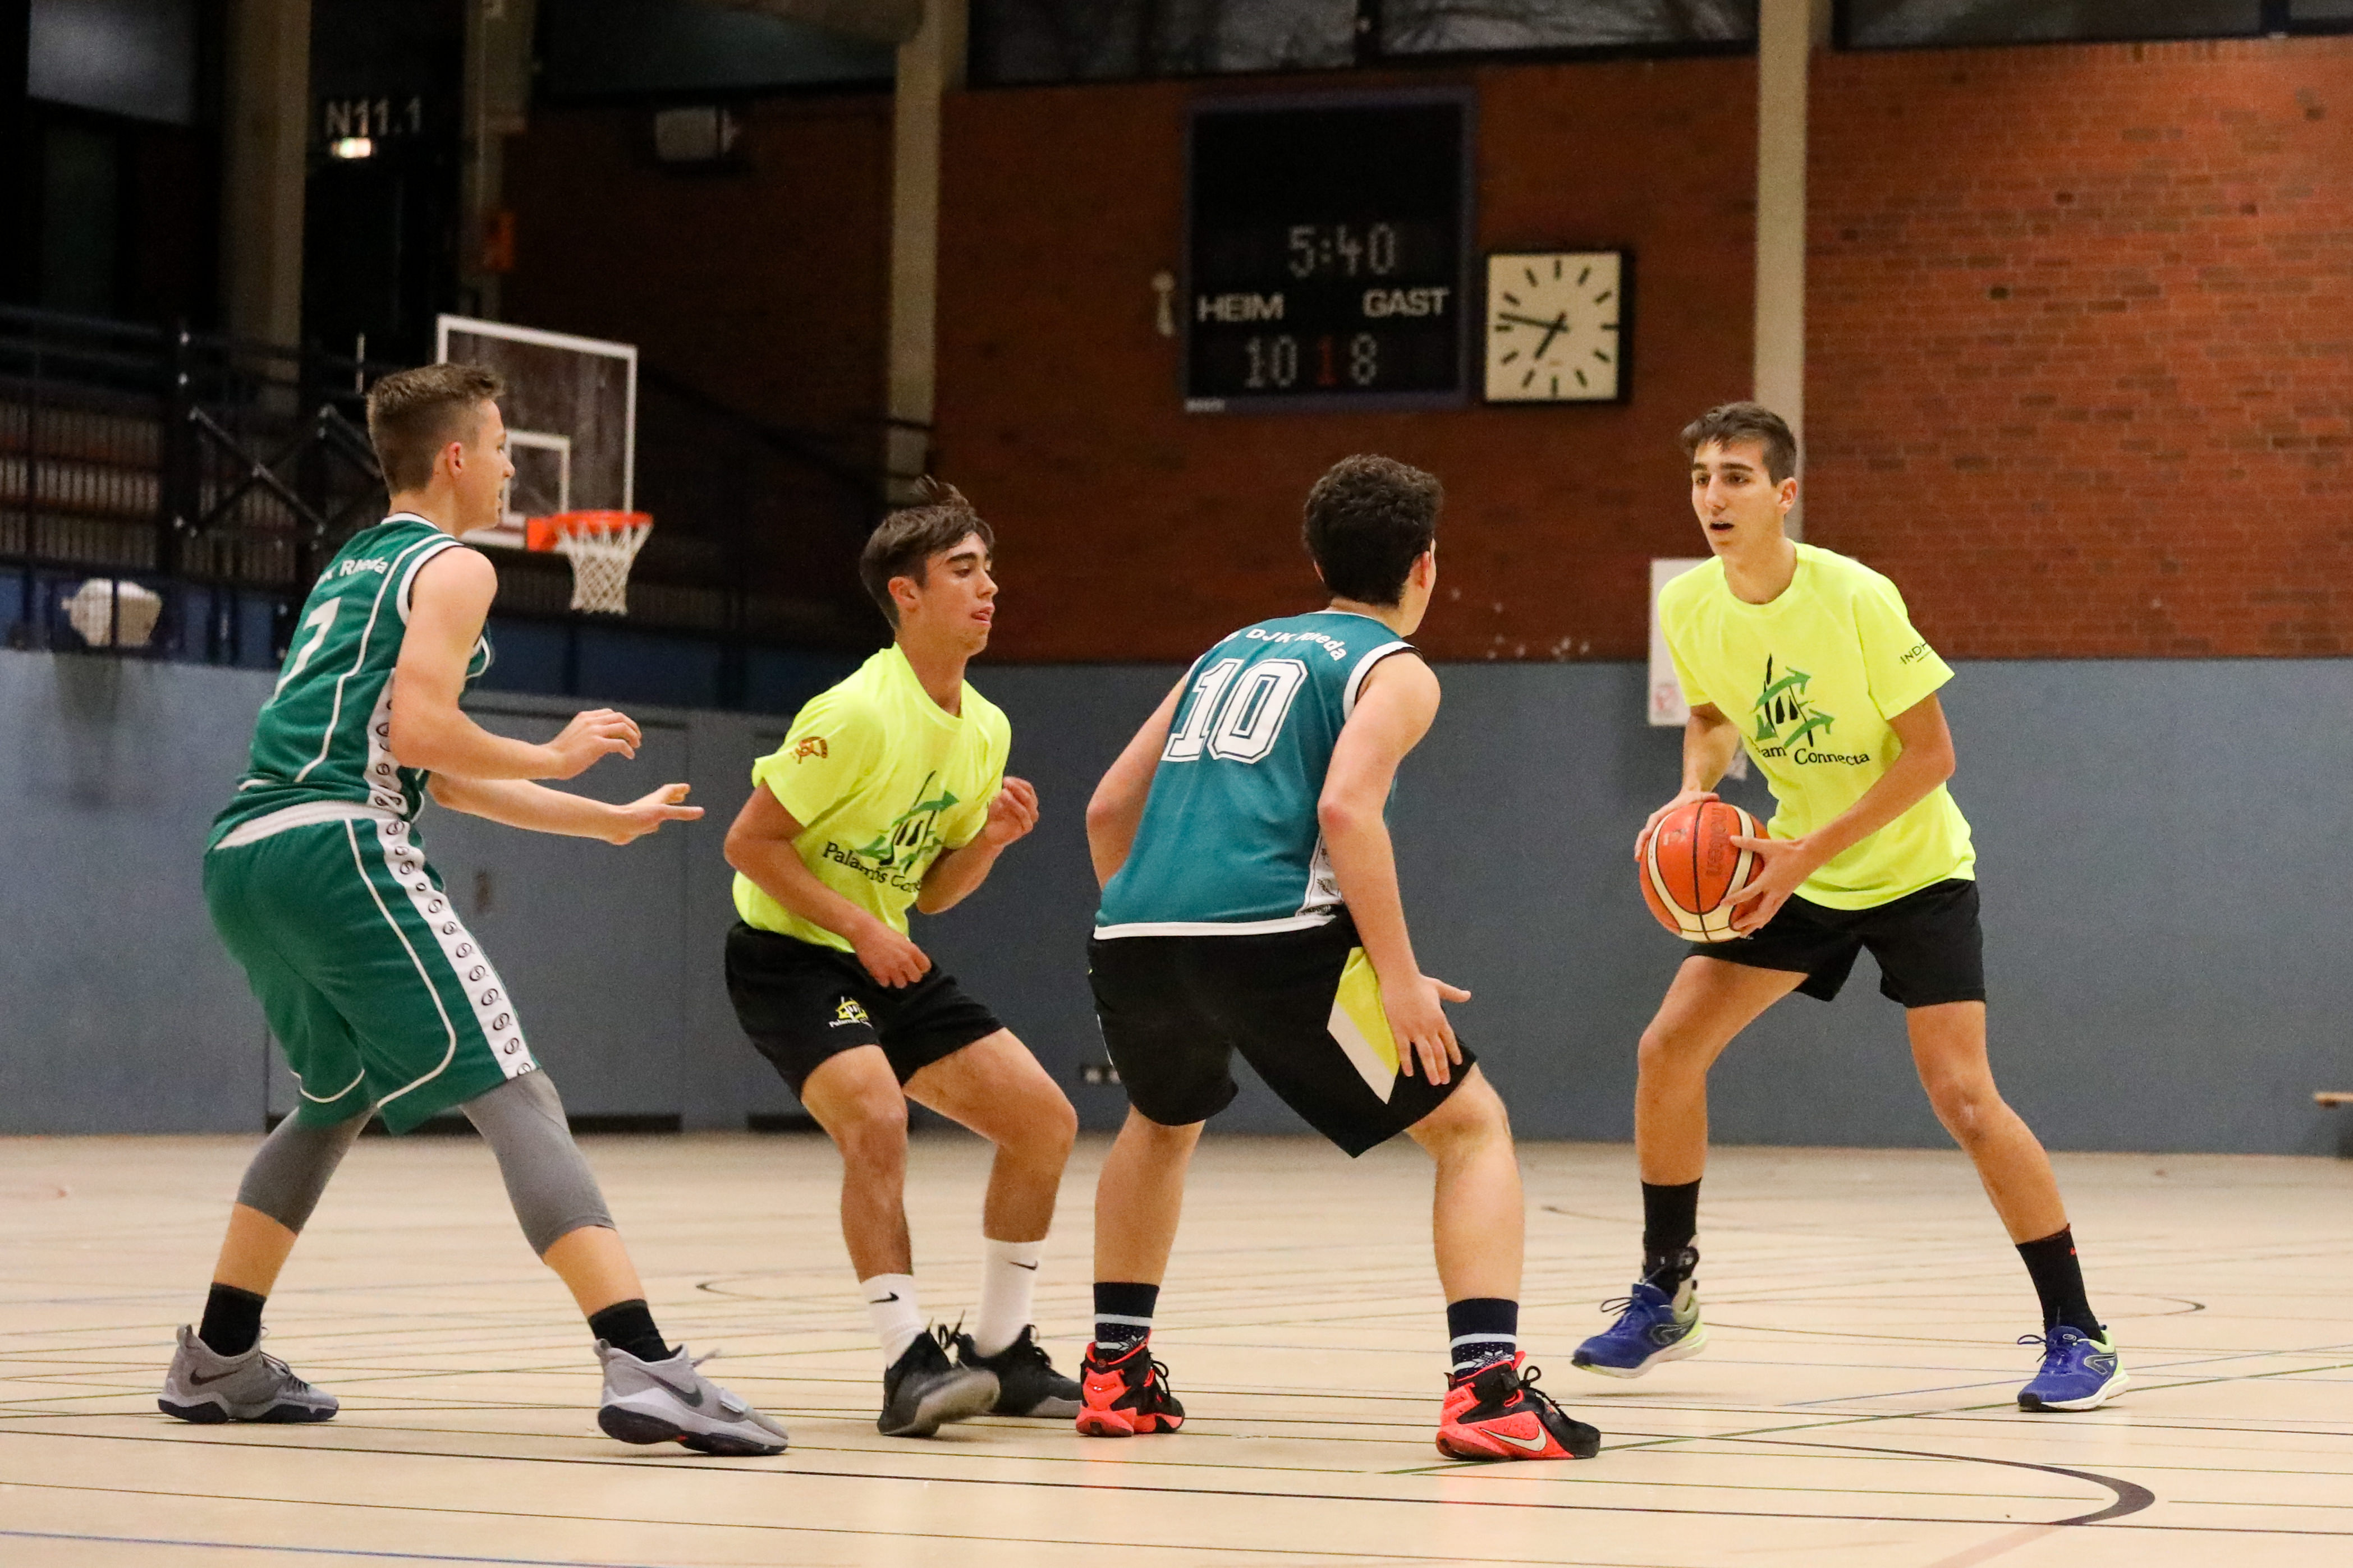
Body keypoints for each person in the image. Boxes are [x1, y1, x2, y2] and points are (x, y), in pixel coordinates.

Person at [164, 363, 788, 1455]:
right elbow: (420, 737)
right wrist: (557, 750)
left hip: (246, 854)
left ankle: (218, 1356)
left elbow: (440, 777)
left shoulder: (357, 565)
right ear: (456, 457)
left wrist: (601, 820)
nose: (510, 468)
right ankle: (643, 1360)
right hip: (340, 846)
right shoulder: (454, 566)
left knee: (332, 1103)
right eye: (501, 447)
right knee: (518, 1092)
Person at [1574, 401, 2126, 1413]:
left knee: (1963, 1098)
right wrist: (1694, 792)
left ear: (1783, 494)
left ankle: (2078, 1333)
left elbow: (1932, 756)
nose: (1712, 496)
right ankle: (1667, 1291)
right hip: (1796, 867)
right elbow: (1711, 717)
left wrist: (1804, 855)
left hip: (1914, 871)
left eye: (1735, 477)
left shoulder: (1856, 596)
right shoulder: (1689, 605)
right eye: (1700, 478)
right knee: (1668, 1049)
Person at [1077, 454, 1602, 1461]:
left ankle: (1116, 1372)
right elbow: (1345, 810)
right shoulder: (1393, 669)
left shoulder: (1224, 651)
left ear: (1316, 560)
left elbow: (1108, 808)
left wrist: (1155, 924)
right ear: (1425, 564)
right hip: (1277, 939)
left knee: (1160, 1121)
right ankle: (1488, 1391)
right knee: (1471, 1129)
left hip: (1134, 933)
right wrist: (1394, 980)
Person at [721, 484, 1081, 1438]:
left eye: (989, 570)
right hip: (791, 957)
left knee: (1043, 1123)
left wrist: (990, 841)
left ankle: (1000, 1351)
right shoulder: (854, 714)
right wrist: (860, 928)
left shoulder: (985, 727)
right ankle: (905, 1362)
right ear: (906, 594)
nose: (989, 588)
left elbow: (935, 894)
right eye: (964, 571)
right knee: (877, 1120)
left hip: (884, 955)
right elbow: (749, 843)